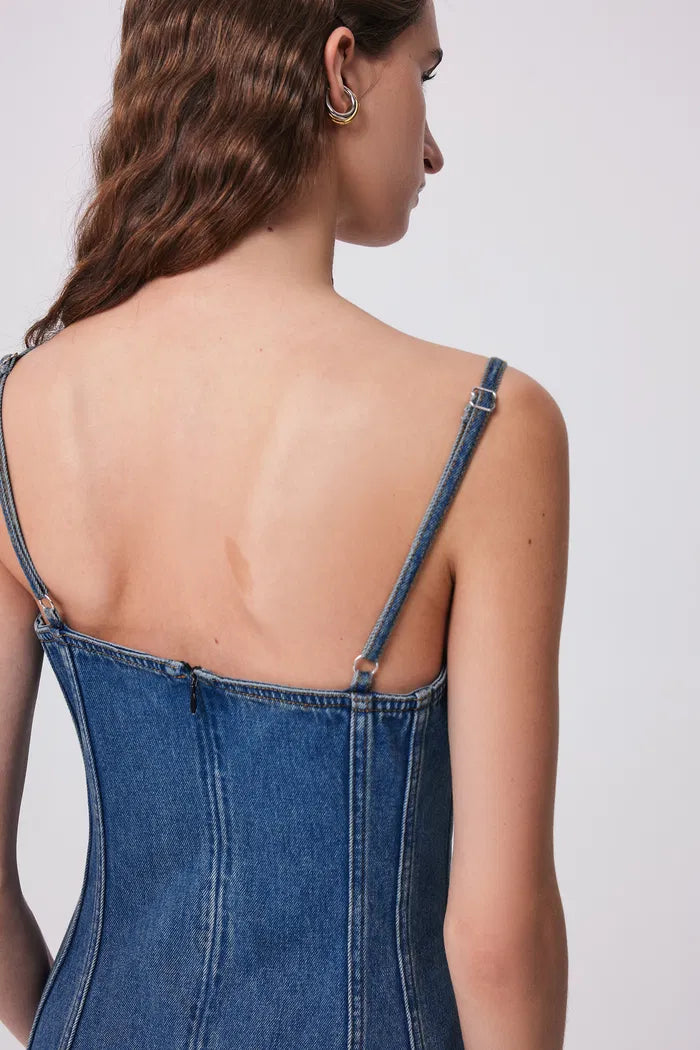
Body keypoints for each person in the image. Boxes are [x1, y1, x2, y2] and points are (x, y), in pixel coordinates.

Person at [0, 1, 569, 1047]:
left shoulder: (21, 410)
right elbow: (498, 938)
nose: (432, 148)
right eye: (424, 76)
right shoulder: (485, 427)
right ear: (340, 68)